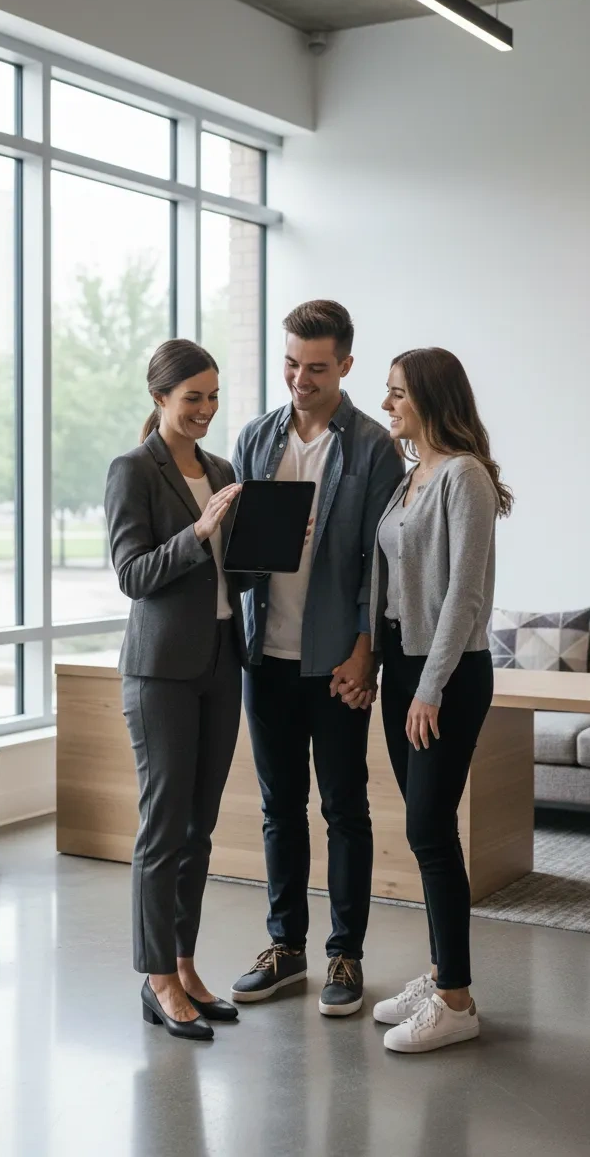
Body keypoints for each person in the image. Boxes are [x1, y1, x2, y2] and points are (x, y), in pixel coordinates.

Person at [230, 300, 405, 1016]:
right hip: (264, 657)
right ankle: (286, 948)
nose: (300, 380)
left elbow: (381, 563)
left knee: (344, 809)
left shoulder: (371, 447)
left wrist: (367, 653)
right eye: (291, 365)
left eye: (317, 368)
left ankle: (345, 956)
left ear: (347, 366)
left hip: (336, 661)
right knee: (279, 809)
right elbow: (237, 552)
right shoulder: (254, 439)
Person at [366, 347, 513, 1054]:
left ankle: (456, 1001)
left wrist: (429, 688)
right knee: (425, 831)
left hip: (448, 673)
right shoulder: (409, 478)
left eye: (398, 394)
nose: (387, 404)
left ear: (430, 398)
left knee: (428, 828)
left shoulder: (464, 476)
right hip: (402, 666)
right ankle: (441, 974)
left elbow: (466, 594)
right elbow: (386, 584)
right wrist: (375, 662)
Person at [104, 338, 250, 1042]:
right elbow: (133, 574)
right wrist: (200, 530)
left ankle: (186, 966)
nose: (206, 409)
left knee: (200, 830)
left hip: (223, 663)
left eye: (213, 395)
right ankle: (156, 976)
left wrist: (276, 542)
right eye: (192, 396)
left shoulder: (221, 468)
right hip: (159, 672)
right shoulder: (133, 469)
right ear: (160, 397)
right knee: (163, 830)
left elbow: (232, 575)